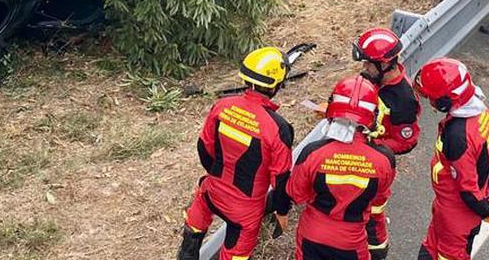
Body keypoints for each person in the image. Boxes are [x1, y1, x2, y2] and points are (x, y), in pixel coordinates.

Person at [178, 47, 295, 260]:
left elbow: (204, 149)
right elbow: (280, 179)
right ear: (276, 85)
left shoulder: (222, 106)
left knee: (192, 232)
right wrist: (282, 210)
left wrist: (218, 177)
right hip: (245, 212)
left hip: (212, 192)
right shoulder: (278, 128)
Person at [288, 75, 396, 260]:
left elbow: (295, 193)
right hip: (352, 242)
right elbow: (378, 198)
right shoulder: (384, 160)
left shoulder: (313, 152)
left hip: (312, 235)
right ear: (373, 115)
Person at [413, 58, 489, 260]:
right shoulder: (482, 112)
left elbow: (466, 187)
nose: (429, 102)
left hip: (456, 212)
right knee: (431, 247)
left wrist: (486, 210)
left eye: (431, 98)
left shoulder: (458, 136)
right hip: (449, 206)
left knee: (449, 254)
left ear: (445, 101)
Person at [351, 27, 421, 258]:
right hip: (357, 151)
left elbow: (407, 141)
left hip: (376, 161)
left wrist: (375, 146)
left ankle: (377, 250)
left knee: (372, 213)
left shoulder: (403, 100)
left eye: (369, 64)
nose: (364, 69)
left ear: (385, 64)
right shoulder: (370, 79)